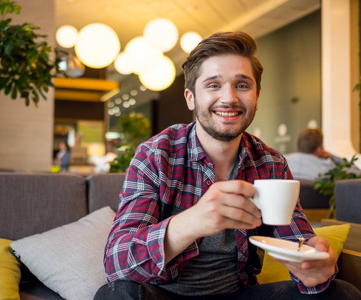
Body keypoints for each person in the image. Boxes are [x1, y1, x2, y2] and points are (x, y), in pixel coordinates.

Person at [94, 31, 361, 299]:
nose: (230, 98)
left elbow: (298, 243)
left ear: (256, 97)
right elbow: (117, 263)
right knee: (117, 294)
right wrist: (193, 222)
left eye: (242, 85)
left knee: (341, 293)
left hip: (239, 293)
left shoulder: (270, 163)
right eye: (213, 85)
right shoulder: (156, 154)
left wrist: (315, 266)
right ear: (190, 98)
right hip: (164, 294)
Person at [285, 128, 361, 180]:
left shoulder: (282, 161)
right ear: (319, 150)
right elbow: (357, 173)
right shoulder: (326, 166)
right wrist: (332, 156)